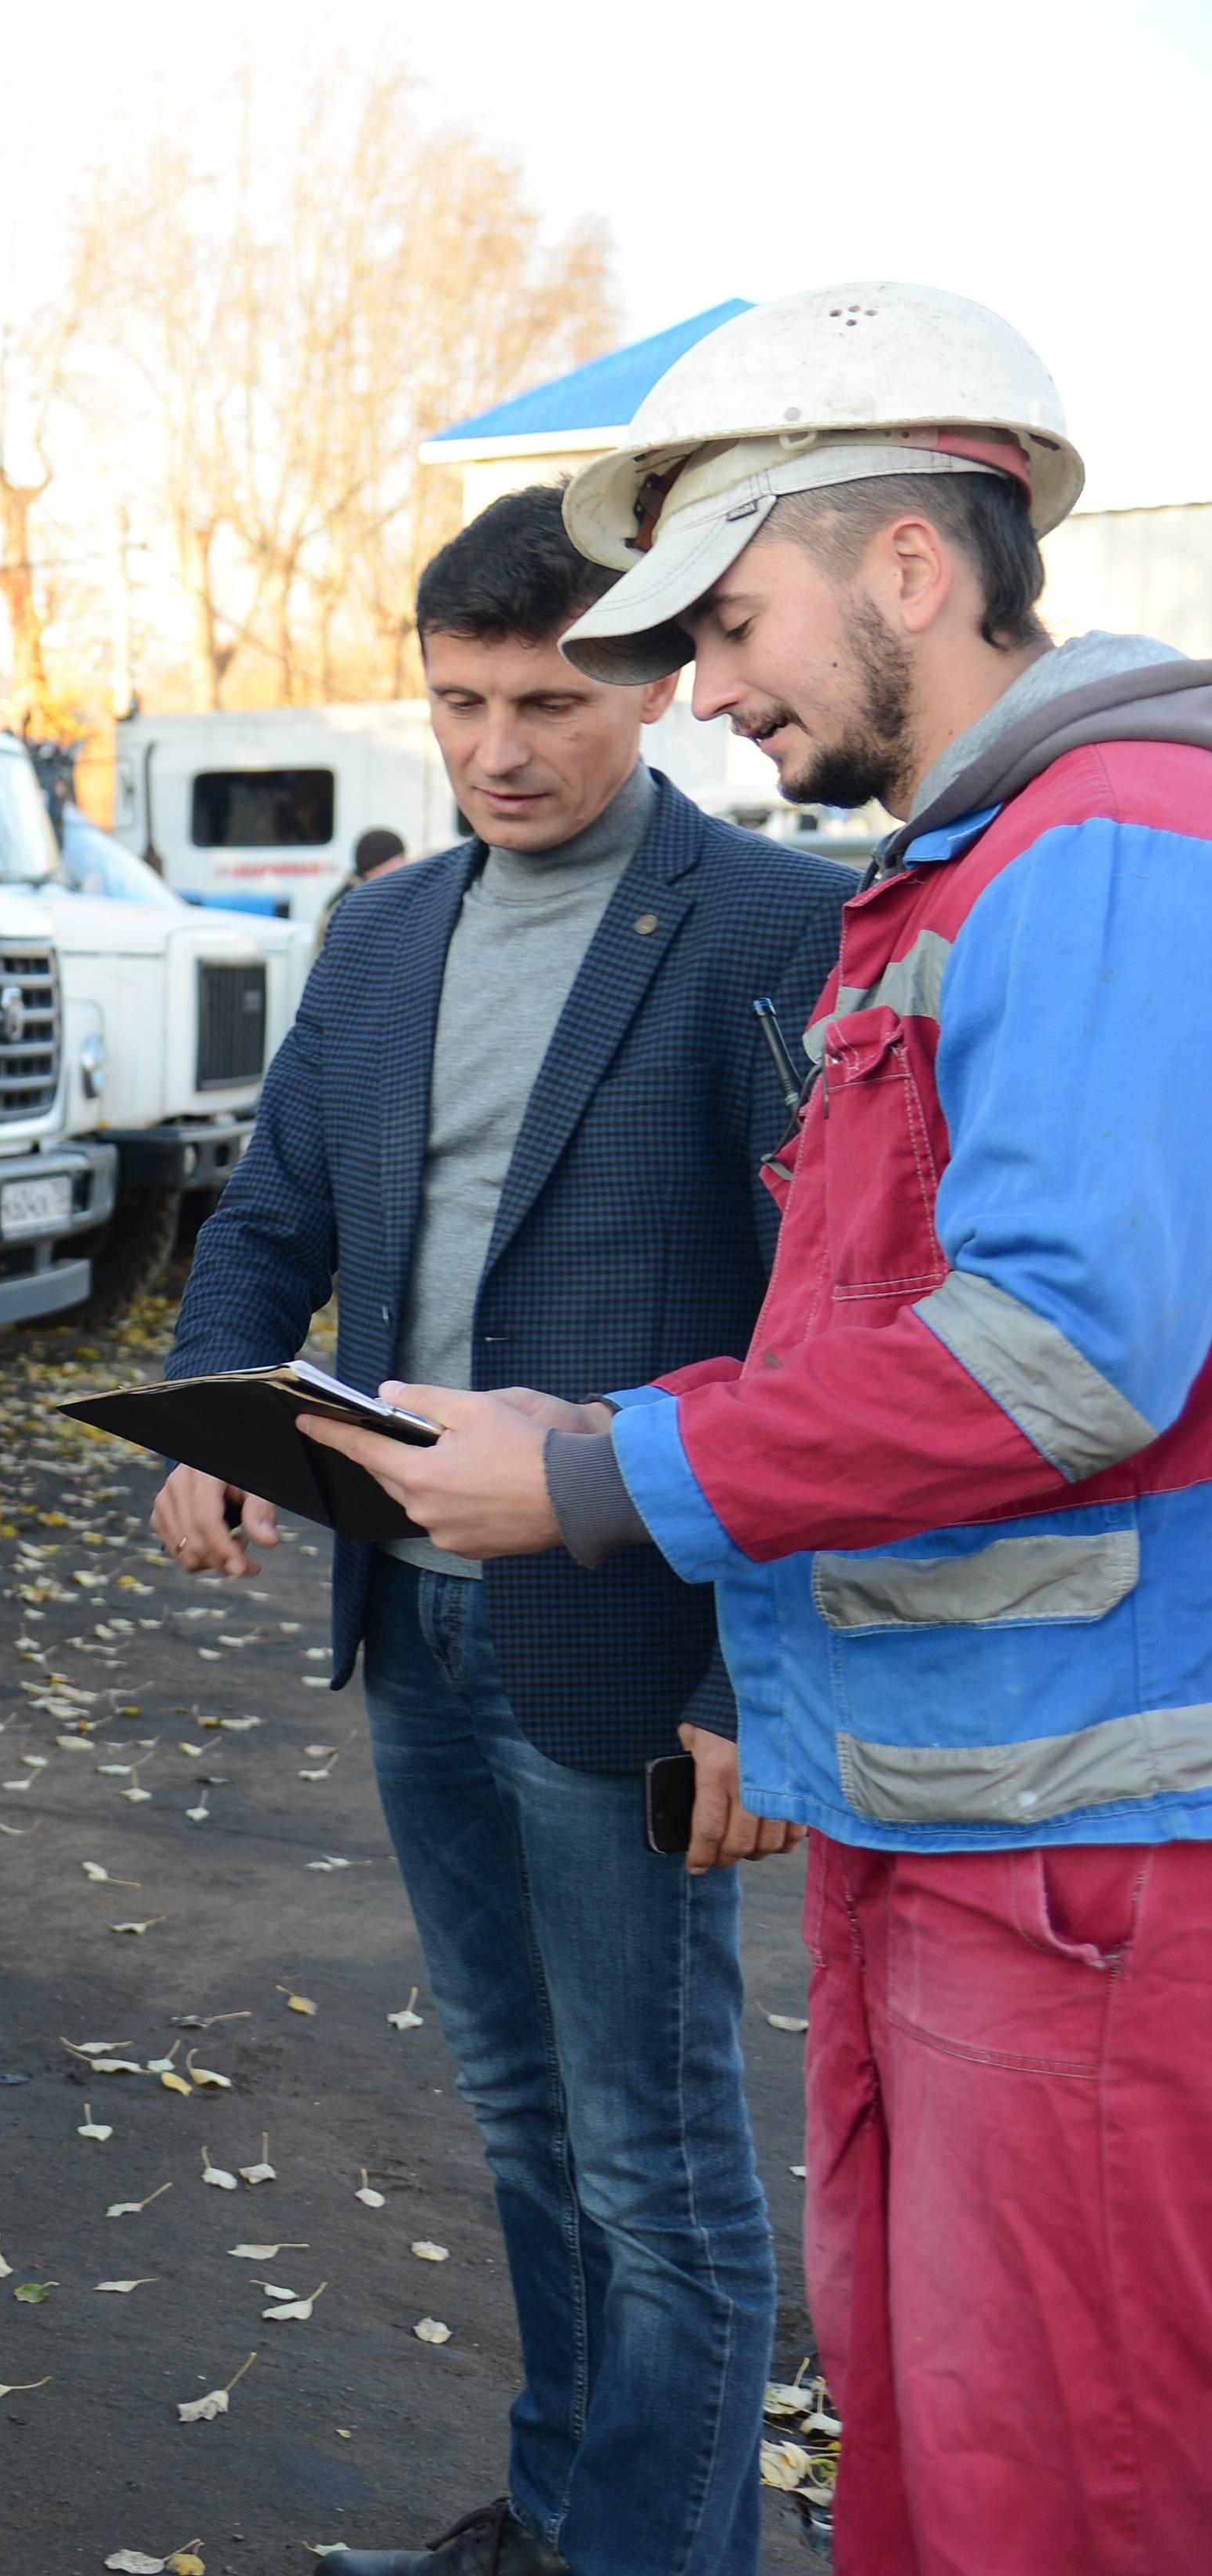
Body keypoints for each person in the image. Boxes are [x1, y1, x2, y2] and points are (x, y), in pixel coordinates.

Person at [306, 283, 1212, 2576]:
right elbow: (853, 1342)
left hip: (1091, 1862)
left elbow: (1067, 1354)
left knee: (1061, 2495)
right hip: (965, 1829)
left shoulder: (1112, 847)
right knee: (921, 2461)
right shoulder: (976, 870)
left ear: (909, 564)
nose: (702, 692)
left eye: (725, 624)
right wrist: (595, 1427)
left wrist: (599, 1471)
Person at [157, 483, 849, 2576]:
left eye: (548, 701)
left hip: (637, 1635)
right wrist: (207, 1419)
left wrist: (757, 1684)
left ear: (655, 686)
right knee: (532, 2129)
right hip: (416, 1620)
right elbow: (274, 1214)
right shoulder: (379, 931)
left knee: (660, 2173)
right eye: (458, 703)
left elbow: (829, 1340)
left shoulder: (771, 932)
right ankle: (558, 2527)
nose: (496, 750)